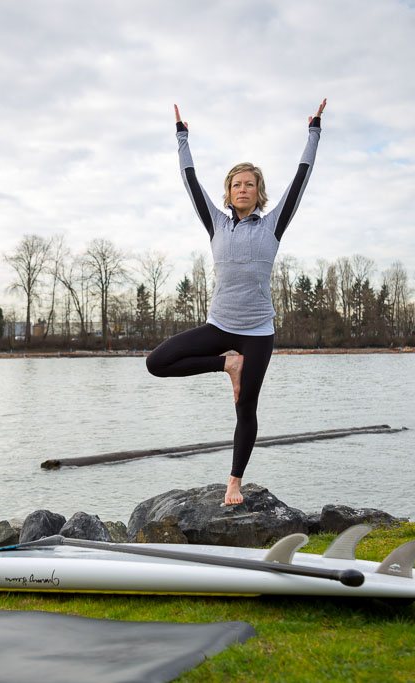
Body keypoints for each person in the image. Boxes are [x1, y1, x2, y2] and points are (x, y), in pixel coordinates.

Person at [146, 99, 326, 506]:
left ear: (259, 193)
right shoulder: (216, 223)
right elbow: (189, 180)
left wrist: (314, 131)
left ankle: (234, 483)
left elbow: (302, 177)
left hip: (258, 333)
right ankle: (226, 364)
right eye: (236, 184)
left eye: (249, 184)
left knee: (246, 407)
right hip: (219, 328)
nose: (242, 189)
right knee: (156, 362)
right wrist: (181, 137)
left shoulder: (274, 225)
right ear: (227, 193)